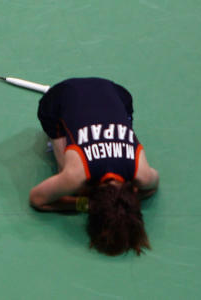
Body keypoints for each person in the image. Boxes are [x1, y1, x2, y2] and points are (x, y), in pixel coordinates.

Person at [29, 77, 159, 256]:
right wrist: (85, 204)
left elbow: (150, 189)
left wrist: (111, 205)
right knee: (71, 187)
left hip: (114, 91)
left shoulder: (141, 173)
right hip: (59, 97)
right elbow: (37, 199)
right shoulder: (76, 176)